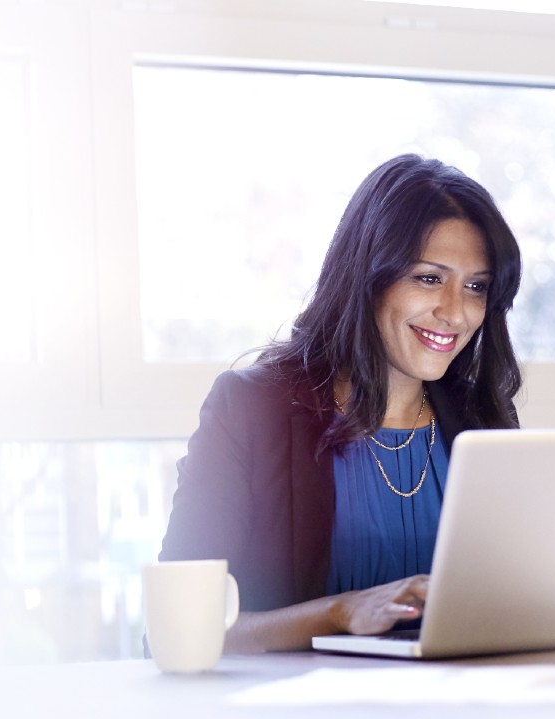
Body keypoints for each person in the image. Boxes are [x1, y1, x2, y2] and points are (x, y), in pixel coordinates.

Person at [158, 153, 523, 652]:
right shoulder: (251, 408)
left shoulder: (481, 419)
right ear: (367, 276)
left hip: (463, 714)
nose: (455, 313)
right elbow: (178, 629)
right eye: (429, 279)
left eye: (476, 287)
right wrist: (338, 612)